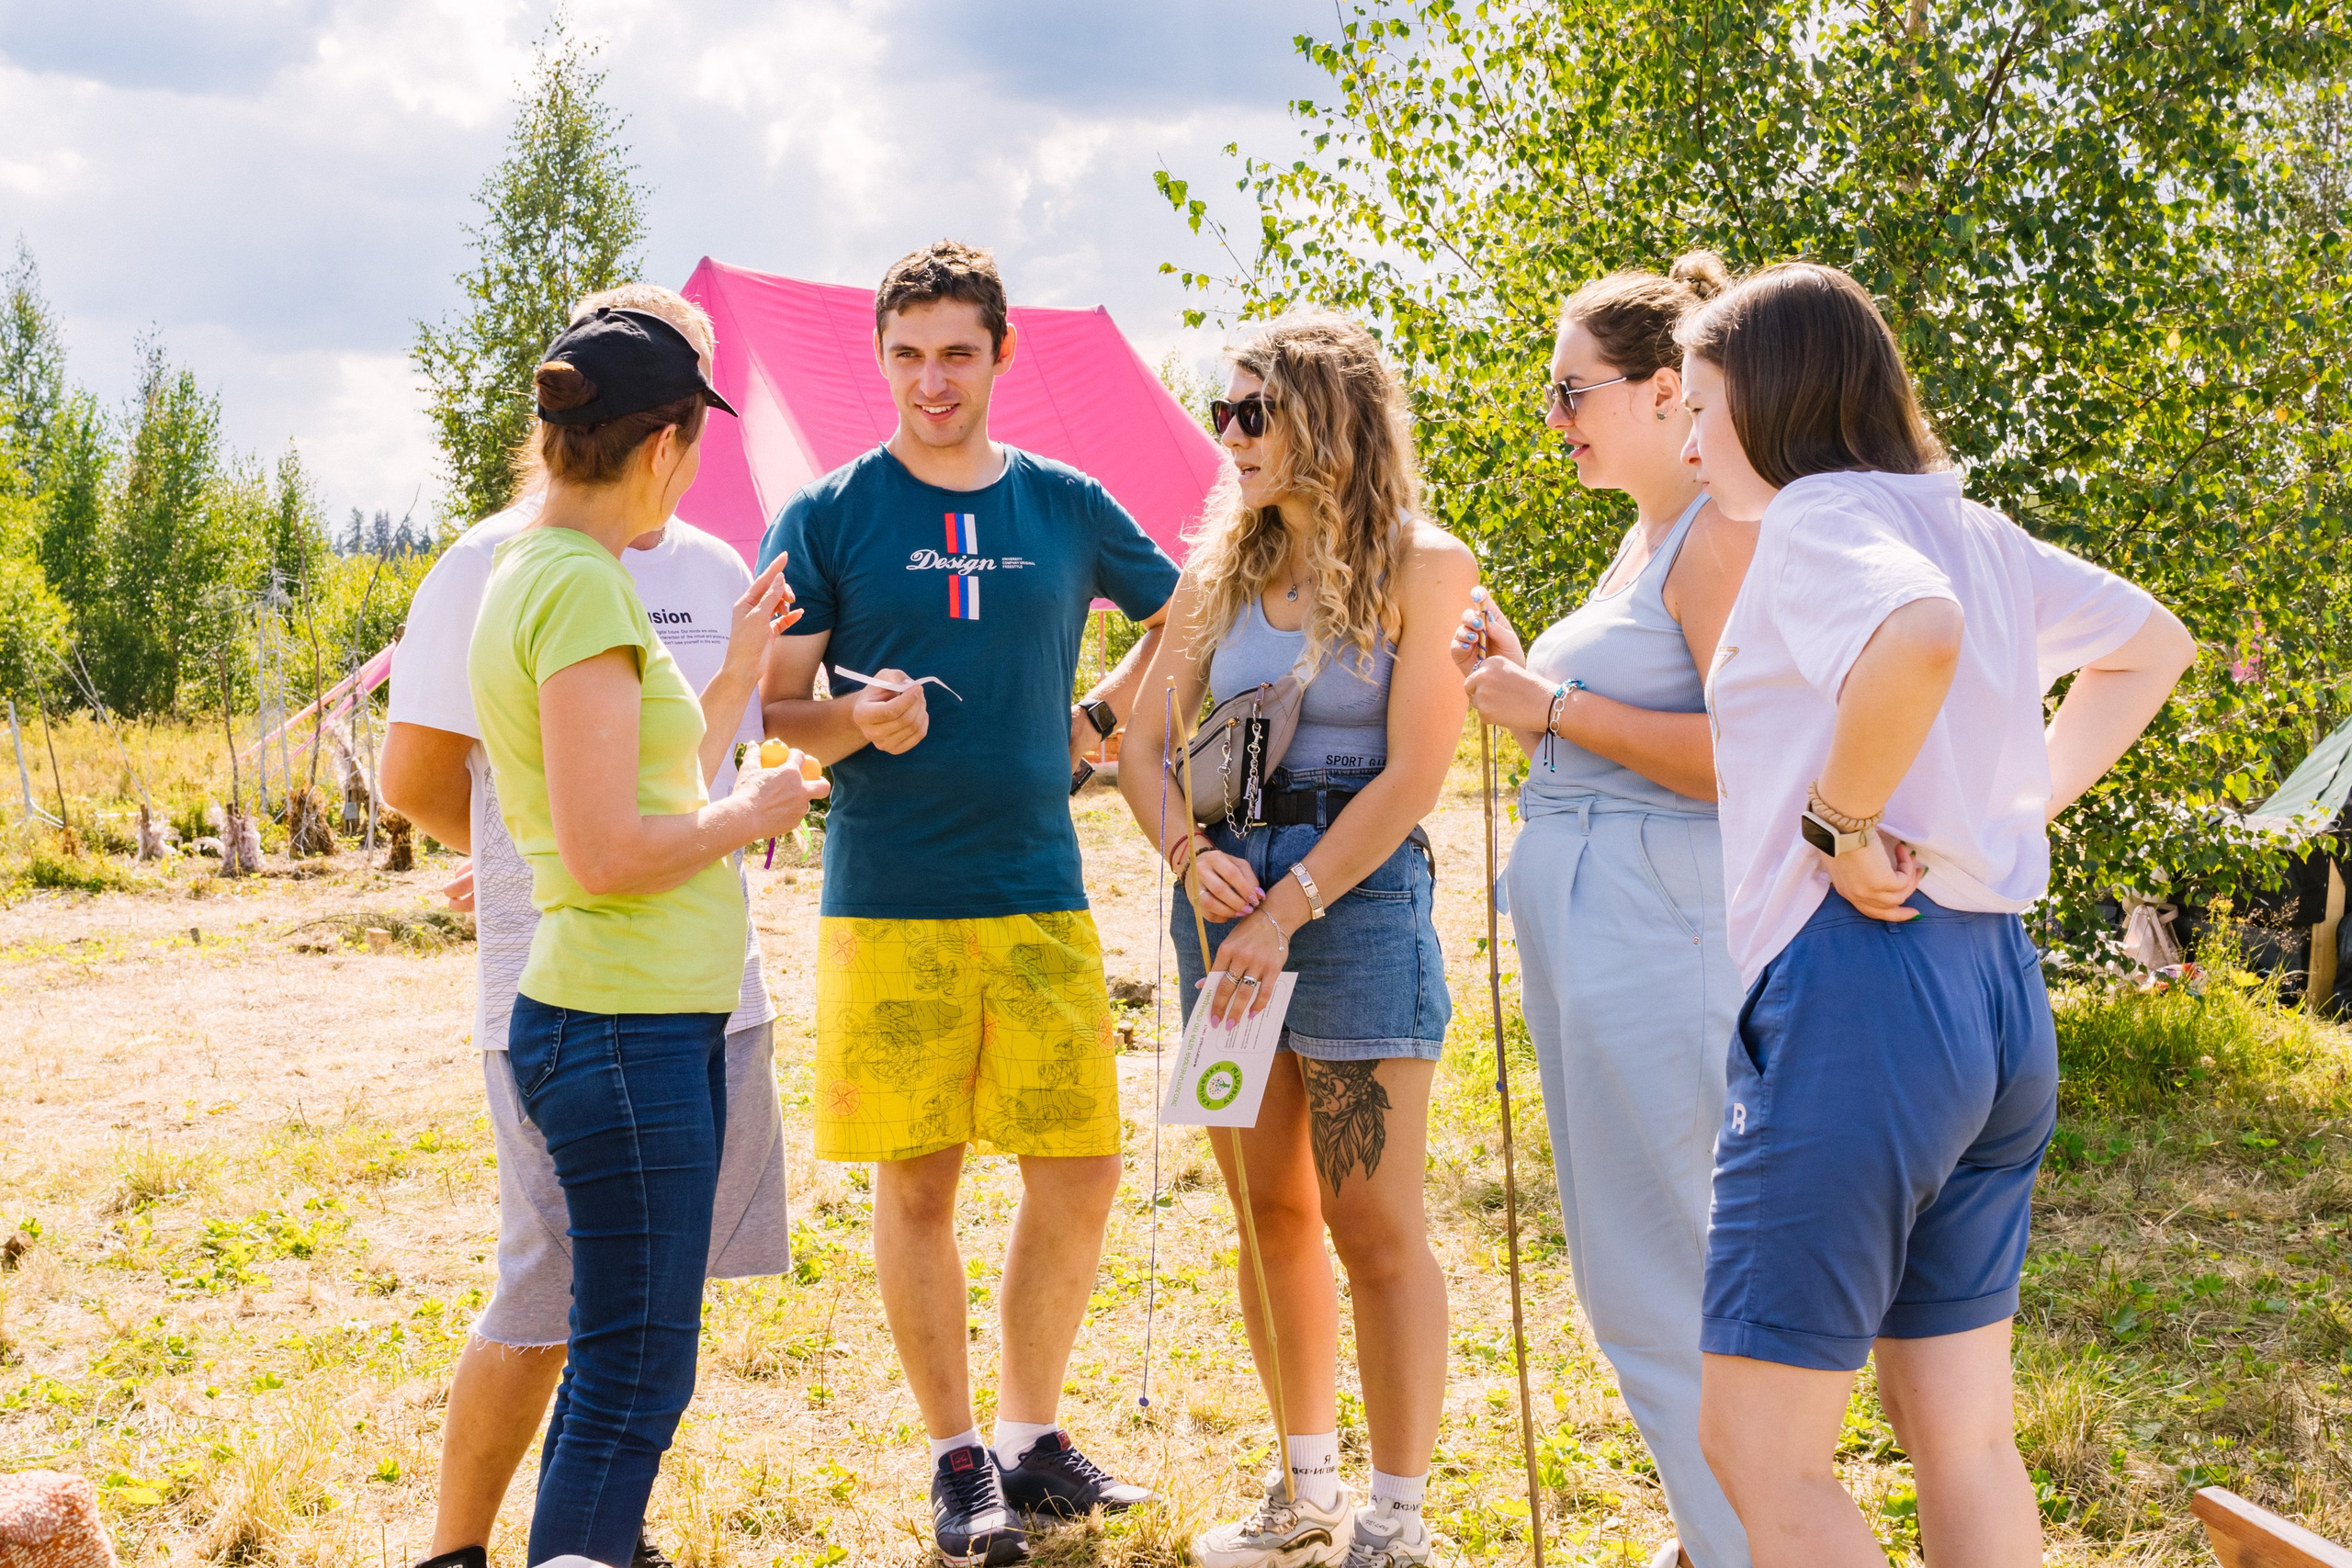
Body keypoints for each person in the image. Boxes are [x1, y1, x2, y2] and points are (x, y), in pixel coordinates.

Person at [1675, 263, 2193, 1568]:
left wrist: (1839, 826)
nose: (1687, 442)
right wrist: (2008, 810)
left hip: (1865, 993)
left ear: (1770, 398)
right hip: (1994, 989)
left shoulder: (1817, 517)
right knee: (1961, 1438)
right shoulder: (1974, 526)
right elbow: (2154, 643)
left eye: (1699, 406)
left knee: (1760, 1450)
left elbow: (1916, 636)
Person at [757, 240, 1178, 1568]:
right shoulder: (828, 514)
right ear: (880, 359)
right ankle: (956, 1460)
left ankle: (1031, 1439)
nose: (931, 382)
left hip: (1039, 890)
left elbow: (1187, 614)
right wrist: (851, 722)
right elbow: (771, 706)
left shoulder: (1065, 502)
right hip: (888, 900)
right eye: (907, 355)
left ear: (1001, 354)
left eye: (955, 354)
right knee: (920, 1179)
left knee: (1082, 1169)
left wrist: (1101, 717)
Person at [384, 286, 804, 1568]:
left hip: (631, 1015)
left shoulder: (545, 568)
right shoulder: (577, 589)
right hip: (622, 1022)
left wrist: (733, 677)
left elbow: (635, 786)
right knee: (631, 1375)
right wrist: (756, 810)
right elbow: (612, 852)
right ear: (667, 443)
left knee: (625, 1360)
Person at [1118, 313, 1475, 1568]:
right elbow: (1141, 749)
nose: (1227, 434)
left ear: (1329, 419)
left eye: (1252, 411)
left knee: (1371, 1219)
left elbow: (1415, 773)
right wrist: (1187, 856)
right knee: (1267, 1207)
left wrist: (1286, 910)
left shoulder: (1427, 566)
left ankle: (1397, 1517)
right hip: (1221, 899)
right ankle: (1305, 1491)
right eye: (1223, 411)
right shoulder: (1217, 567)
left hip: (1353, 897)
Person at [1450, 255, 1755, 1568]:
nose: (1555, 416)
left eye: (1572, 390)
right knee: (1633, 1264)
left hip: (1661, 924)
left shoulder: (1718, 535)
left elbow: (1748, 756)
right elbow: (1599, 748)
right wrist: (1527, 686)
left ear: (1665, 391)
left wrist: (1553, 703)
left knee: (1666, 1263)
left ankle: (1747, 1542)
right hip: (1605, 916)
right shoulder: (1644, 536)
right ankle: (1716, 1531)